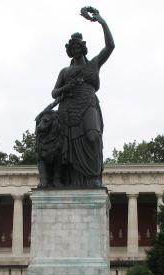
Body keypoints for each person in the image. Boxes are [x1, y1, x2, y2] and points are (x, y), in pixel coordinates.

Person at [51, 10, 114, 188]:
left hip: (88, 103)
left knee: (93, 137)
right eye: (73, 48)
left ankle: (93, 176)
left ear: (83, 48)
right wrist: (66, 87)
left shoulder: (94, 63)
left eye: (78, 47)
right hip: (68, 108)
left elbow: (110, 46)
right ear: (70, 51)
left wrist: (102, 22)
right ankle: (72, 179)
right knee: (69, 144)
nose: (76, 50)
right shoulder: (65, 71)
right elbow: (54, 93)